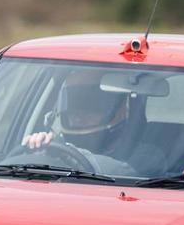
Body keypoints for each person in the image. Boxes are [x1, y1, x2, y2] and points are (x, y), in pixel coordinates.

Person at [21, 70, 168, 177]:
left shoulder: (148, 156)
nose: (78, 114)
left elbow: (120, 171)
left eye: (92, 104)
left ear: (122, 110)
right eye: (73, 102)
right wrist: (34, 148)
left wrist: (62, 154)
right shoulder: (55, 145)